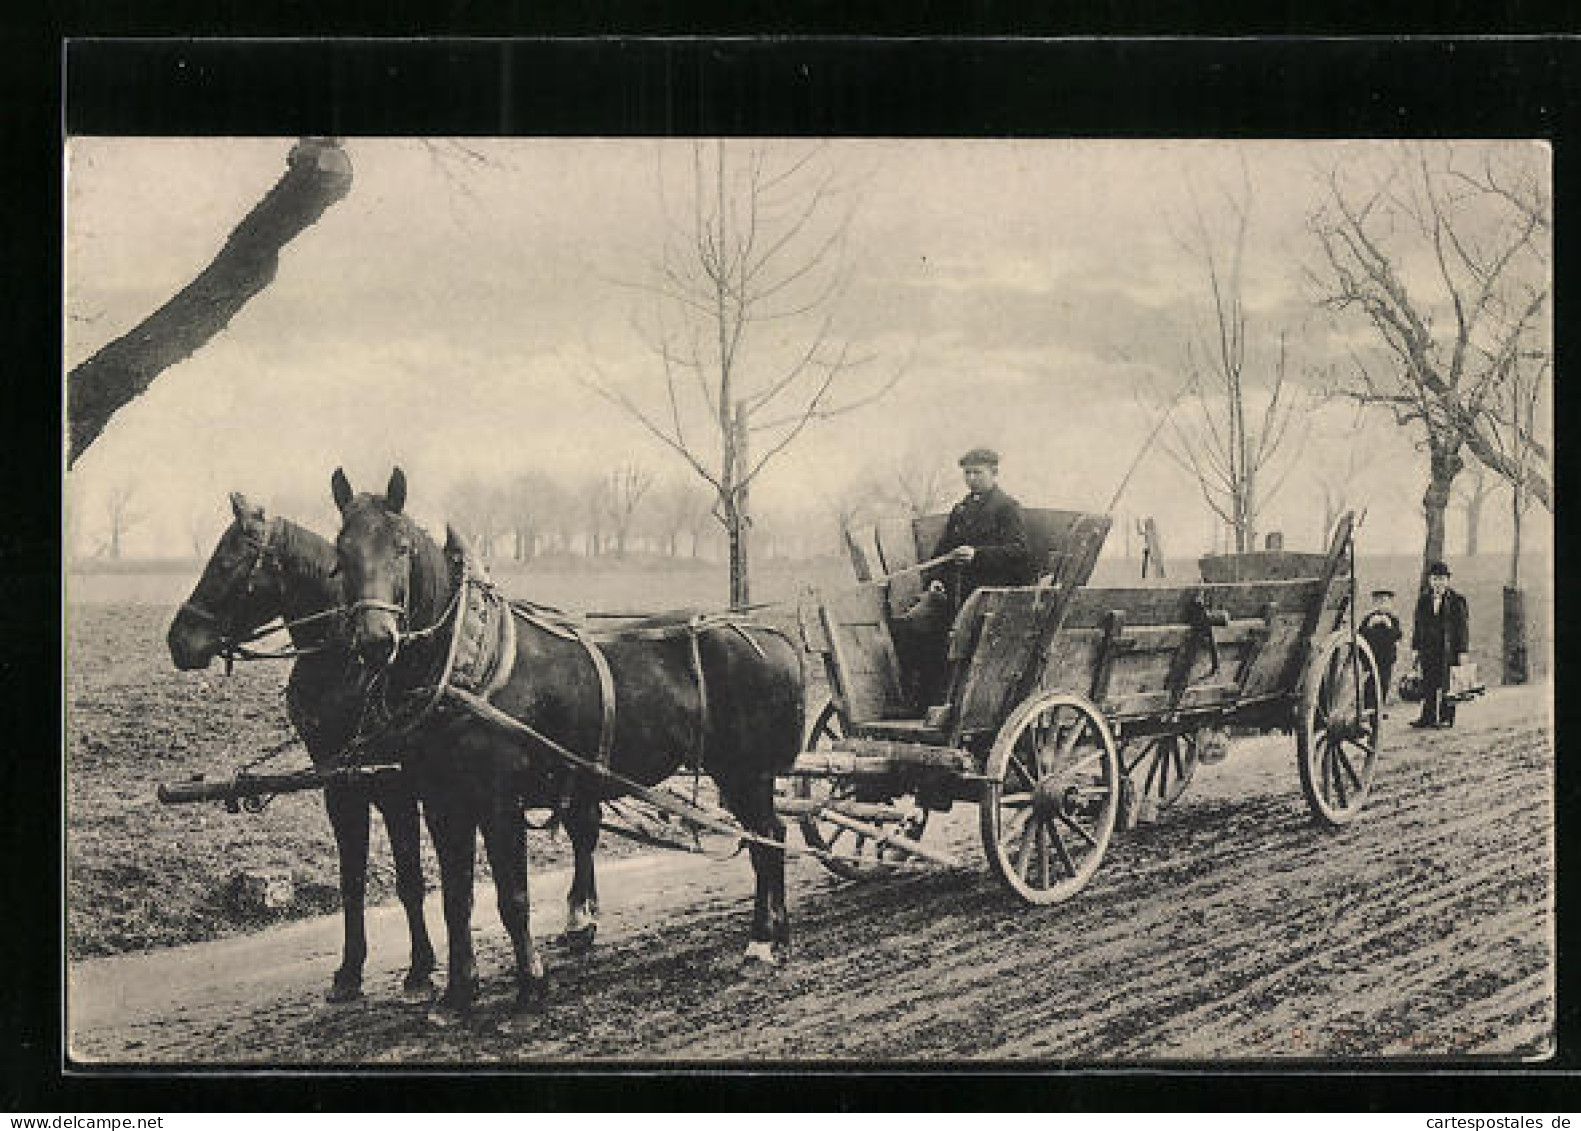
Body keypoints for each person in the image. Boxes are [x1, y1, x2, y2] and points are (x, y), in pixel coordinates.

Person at [892, 447, 1032, 712]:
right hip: (955, 595)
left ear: (994, 473)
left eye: (977, 472)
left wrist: (977, 555)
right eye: (967, 473)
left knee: (958, 638)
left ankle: (953, 707)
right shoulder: (961, 510)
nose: (971, 479)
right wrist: (935, 580)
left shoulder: (1007, 508)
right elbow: (943, 551)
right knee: (913, 628)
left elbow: (1020, 552)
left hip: (990, 599)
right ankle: (922, 703)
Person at [1408, 561, 1470, 729]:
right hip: (1428, 649)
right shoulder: (1423, 600)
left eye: (1441, 579)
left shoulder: (1457, 601)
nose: (1438, 583)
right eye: (1435, 579)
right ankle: (1427, 717)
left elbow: (1462, 628)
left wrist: (1463, 651)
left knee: (1448, 684)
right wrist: (1415, 648)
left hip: (1449, 650)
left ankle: (1446, 718)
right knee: (1428, 682)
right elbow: (1418, 626)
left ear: (1447, 580)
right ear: (1430, 580)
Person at [1358, 588, 1403, 707]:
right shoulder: (1368, 618)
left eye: (1385, 602)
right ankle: (1368, 707)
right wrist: (1370, 625)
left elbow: (1397, 636)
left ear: (1390, 604)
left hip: (1386, 659)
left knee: (1383, 683)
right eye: (1378, 602)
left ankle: (1379, 708)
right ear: (1374, 604)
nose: (1382, 605)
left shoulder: (1393, 619)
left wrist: (1388, 625)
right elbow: (1361, 636)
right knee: (1369, 684)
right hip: (1370, 658)